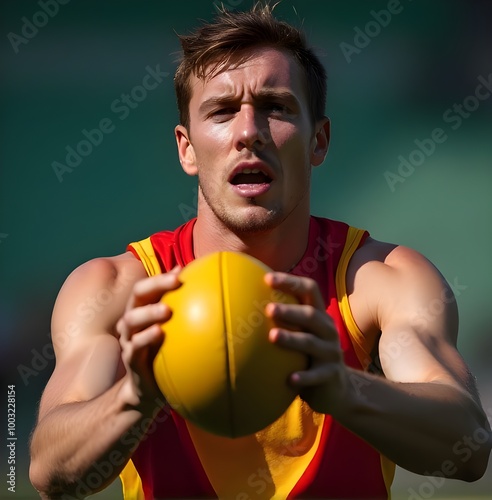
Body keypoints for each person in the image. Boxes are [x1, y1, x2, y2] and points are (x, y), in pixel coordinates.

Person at [29, 3, 491, 499]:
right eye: (222, 111)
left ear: (319, 140)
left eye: (276, 106)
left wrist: (344, 389)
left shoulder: (381, 279)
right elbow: (48, 472)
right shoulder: (118, 290)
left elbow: (469, 448)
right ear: (186, 148)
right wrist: (135, 398)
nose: (249, 132)